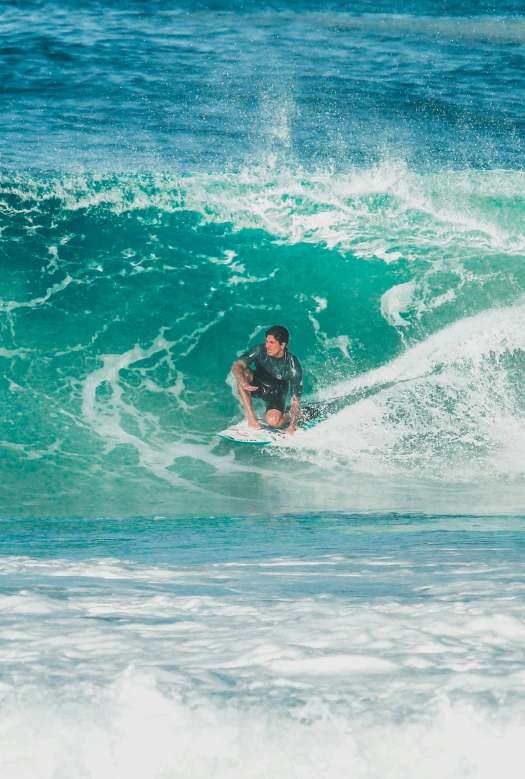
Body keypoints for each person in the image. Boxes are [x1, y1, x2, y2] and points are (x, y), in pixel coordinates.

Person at [231, 325, 303, 435]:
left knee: (273, 422)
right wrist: (244, 383)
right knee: (243, 373)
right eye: (267, 341)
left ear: (282, 345)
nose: (267, 346)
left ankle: (292, 414)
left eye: (271, 343)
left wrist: (292, 427)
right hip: (258, 384)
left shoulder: (293, 367)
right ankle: (251, 418)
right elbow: (237, 366)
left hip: (276, 392)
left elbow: (295, 399)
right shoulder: (259, 350)